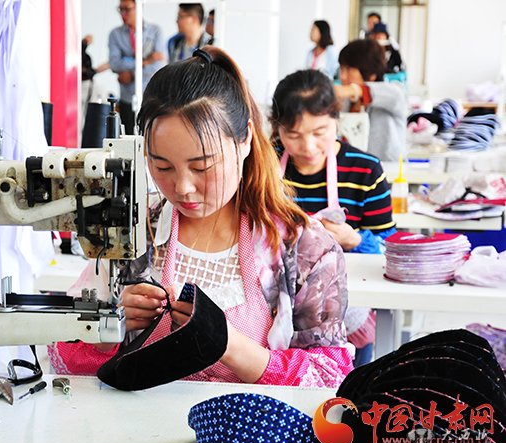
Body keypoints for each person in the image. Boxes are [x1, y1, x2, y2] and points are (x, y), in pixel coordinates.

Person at [47, 46, 354, 387]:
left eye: (201, 167)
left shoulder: (304, 247)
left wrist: (230, 347)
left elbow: (331, 379)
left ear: (245, 140)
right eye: (162, 167)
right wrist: (107, 332)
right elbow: (63, 358)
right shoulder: (133, 231)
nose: (182, 188)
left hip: (246, 423)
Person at [270, 69, 396, 366]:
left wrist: (356, 239)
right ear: (277, 128)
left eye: (319, 132)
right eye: (293, 135)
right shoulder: (264, 165)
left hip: (346, 311)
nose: (308, 147)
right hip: (272, 312)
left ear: (336, 120)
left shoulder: (365, 170)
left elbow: (391, 251)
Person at [335, 39, 406, 162]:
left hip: (389, 170)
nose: (342, 76)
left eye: (349, 70)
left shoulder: (392, 93)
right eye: (341, 69)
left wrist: (351, 90)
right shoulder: (347, 101)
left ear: (371, 73)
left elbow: (390, 94)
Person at [109, 0, 166, 135]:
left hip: (151, 97)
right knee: (128, 138)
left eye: (127, 9)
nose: (123, 14)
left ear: (139, 7)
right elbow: (115, 63)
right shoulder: (115, 34)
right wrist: (145, 61)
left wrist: (132, 74)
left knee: (151, 137)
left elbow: (159, 66)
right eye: (120, 9)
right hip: (127, 98)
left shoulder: (155, 31)